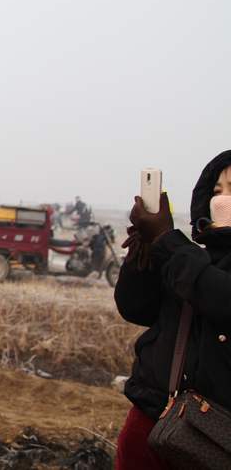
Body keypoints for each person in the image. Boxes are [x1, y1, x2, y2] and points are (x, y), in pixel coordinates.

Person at [114, 150, 231, 469]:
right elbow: (136, 308)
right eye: (217, 190)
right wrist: (144, 254)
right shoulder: (194, 257)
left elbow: (220, 297)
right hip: (153, 421)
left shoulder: (187, 258)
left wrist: (166, 240)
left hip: (215, 437)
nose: (221, 200)